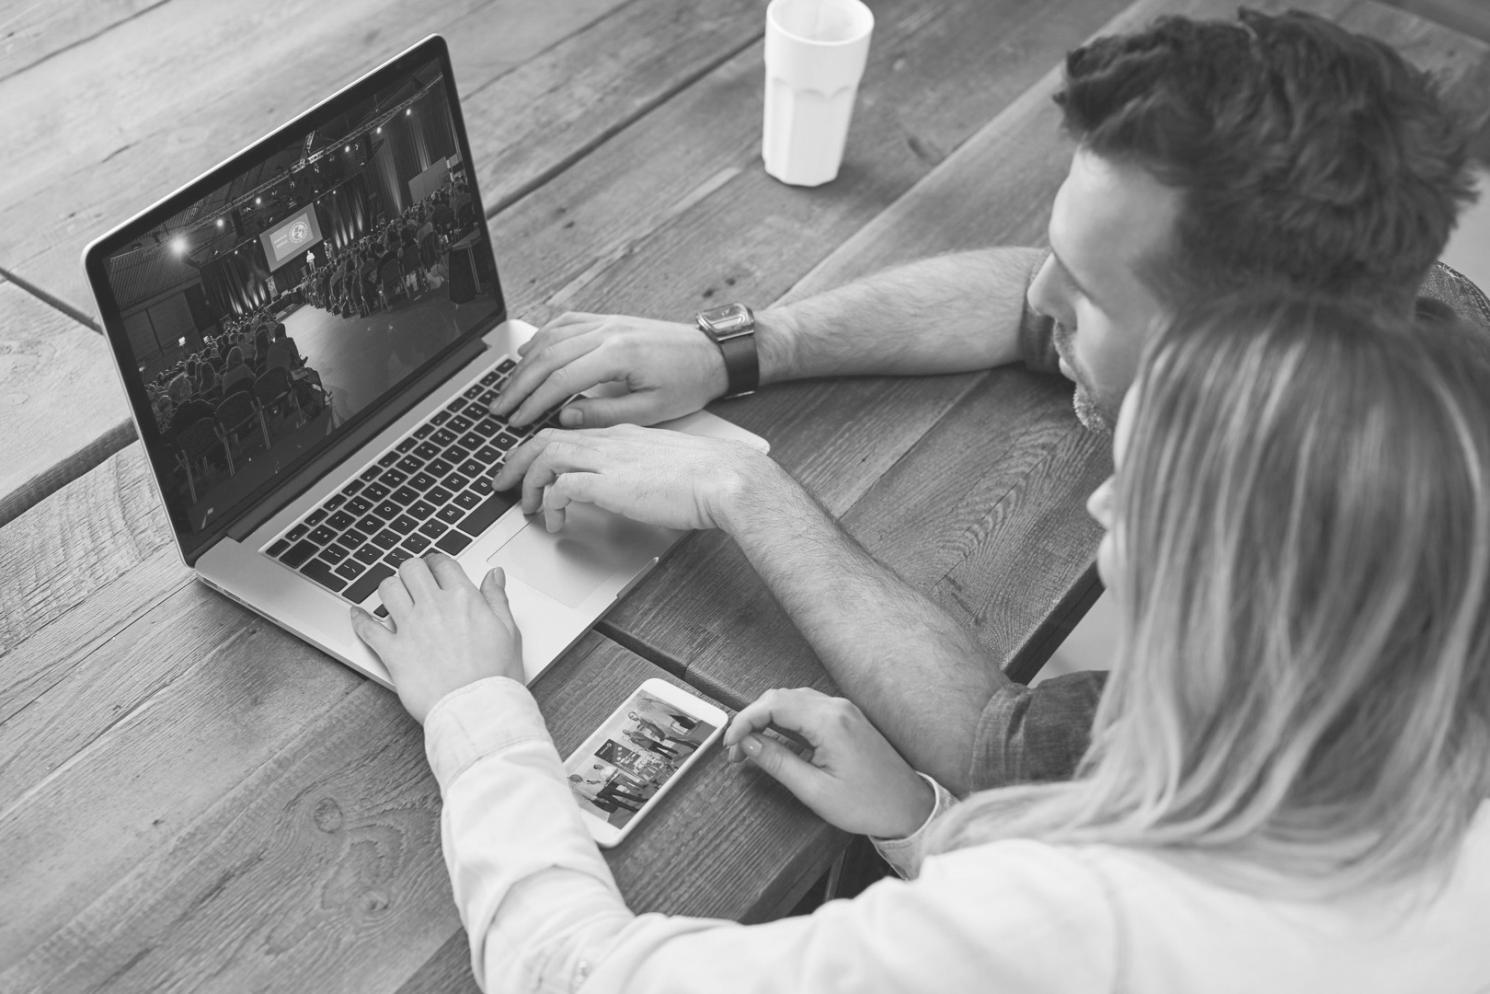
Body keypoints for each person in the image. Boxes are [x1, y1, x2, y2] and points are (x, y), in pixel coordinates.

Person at [349, 295, 1490, 991]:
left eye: (1131, 484)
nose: (1097, 513)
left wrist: (479, 719)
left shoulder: (1083, 914)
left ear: (1219, 569)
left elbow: (574, 977)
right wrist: (925, 825)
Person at [481, 9, 1487, 793]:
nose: (1040, 293)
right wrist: (739, 347)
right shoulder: (1387, 302)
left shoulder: (1304, 657)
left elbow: (995, 747)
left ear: (1233, 357)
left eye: (1085, 294)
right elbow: (1026, 300)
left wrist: (742, 485)